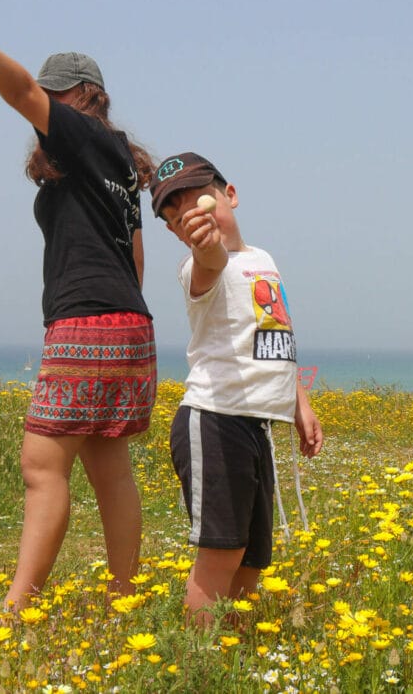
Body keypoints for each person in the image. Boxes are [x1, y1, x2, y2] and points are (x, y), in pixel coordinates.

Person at [0, 0, 158, 611]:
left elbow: (20, 90)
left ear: (88, 97)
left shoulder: (83, 138)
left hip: (86, 321)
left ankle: (15, 612)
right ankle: (123, 601)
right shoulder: (115, 166)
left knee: (42, 466)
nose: (46, 104)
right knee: (110, 468)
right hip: (129, 323)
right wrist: (119, 324)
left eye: (59, 95)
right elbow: (135, 257)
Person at [150, 152, 323, 626]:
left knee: (250, 559)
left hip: (256, 425)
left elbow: (275, 337)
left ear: (230, 194)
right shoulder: (199, 268)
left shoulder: (264, 260)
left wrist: (298, 402)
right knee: (220, 554)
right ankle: (201, 663)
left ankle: (237, 650)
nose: (194, 216)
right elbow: (210, 260)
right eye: (178, 216)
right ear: (175, 233)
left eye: (200, 199)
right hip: (213, 419)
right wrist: (203, 246)